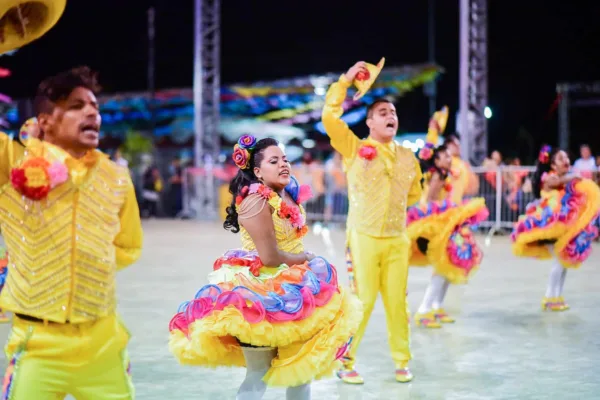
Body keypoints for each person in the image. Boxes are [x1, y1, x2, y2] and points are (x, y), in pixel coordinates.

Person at [168, 135, 362, 400]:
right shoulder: (255, 201)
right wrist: (306, 257)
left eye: (284, 159)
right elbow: (270, 257)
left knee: (300, 371)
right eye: (274, 161)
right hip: (260, 294)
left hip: (298, 289)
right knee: (258, 373)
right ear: (257, 171)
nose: (284, 164)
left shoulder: (286, 193)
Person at [0, 66, 143, 399]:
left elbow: (128, 245)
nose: (92, 111)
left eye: (95, 106)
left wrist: (84, 266)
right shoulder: (13, 163)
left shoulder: (117, 178)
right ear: (46, 120)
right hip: (37, 345)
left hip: (104, 345)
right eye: (77, 105)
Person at [321, 61, 423, 384]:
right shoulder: (355, 148)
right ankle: (345, 360)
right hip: (363, 237)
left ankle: (402, 361)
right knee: (361, 302)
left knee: (397, 303)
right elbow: (329, 118)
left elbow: (415, 194)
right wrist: (345, 82)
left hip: (397, 239)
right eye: (382, 112)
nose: (390, 116)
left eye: (393, 112)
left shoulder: (409, 157)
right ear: (369, 122)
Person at [407, 107, 489, 328]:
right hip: (435, 225)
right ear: (437, 159)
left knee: (448, 267)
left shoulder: (444, 174)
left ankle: (436, 307)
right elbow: (431, 203)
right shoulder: (437, 176)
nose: (450, 159)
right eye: (446, 156)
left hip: (446, 224)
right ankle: (425, 309)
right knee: (443, 268)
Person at [511, 145, 600, 311]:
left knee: (564, 262)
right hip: (549, 225)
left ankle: (557, 295)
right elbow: (558, 182)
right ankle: (549, 296)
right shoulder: (549, 177)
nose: (566, 161)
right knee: (560, 261)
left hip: (561, 226)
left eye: (566, 158)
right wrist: (574, 176)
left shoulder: (565, 179)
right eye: (561, 158)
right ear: (552, 165)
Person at [444, 134, 479, 203]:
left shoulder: (462, 163)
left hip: (459, 201)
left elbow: (473, 187)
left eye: (458, 144)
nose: (458, 147)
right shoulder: (445, 161)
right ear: (447, 146)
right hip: (446, 203)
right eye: (454, 144)